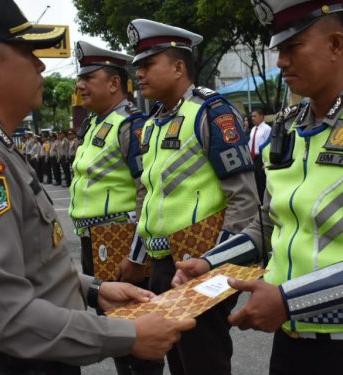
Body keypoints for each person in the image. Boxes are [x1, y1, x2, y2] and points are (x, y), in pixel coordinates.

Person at [0, 1, 195, 374]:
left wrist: (92, 290)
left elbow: (23, 266)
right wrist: (125, 335)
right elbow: (3, 312)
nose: (42, 66)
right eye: (29, 54)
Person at [172, 1, 343, 373]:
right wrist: (209, 262)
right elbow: (265, 227)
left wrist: (288, 299)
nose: (280, 61)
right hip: (291, 343)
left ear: (336, 45)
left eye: (292, 47)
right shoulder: (288, 128)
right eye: (279, 49)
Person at [121, 18, 258, 375]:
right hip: (162, 264)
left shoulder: (212, 112)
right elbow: (148, 199)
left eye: (149, 64)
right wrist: (138, 258)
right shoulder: (151, 123)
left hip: (201, 263)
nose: (140, 74)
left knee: (205, 362)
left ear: (179, 66)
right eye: (138, 66)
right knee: (178, 362)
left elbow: (243, 201)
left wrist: (218, 269)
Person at [70, 40, 164, 375]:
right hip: (94, 242)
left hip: (120, 241)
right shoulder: (93, 124)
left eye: (89, 77)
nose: (80, 84)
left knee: (134, 340)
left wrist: (137, 256)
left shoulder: (131, 125)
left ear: (113, 83)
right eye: (79, 78)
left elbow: (147, 194)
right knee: (114, 335)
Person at [248, 107, 271, 202]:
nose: (252, 118)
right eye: (252, 116)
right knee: (255, 181)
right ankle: (258, 201)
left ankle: (264, 202)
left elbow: (268, 145)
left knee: (262, 182)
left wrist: (265, 161)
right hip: (253, 158)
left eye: (254, 116)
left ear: (261, 116)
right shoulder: (253, 129)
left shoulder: (267, 129)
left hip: (261, 158)